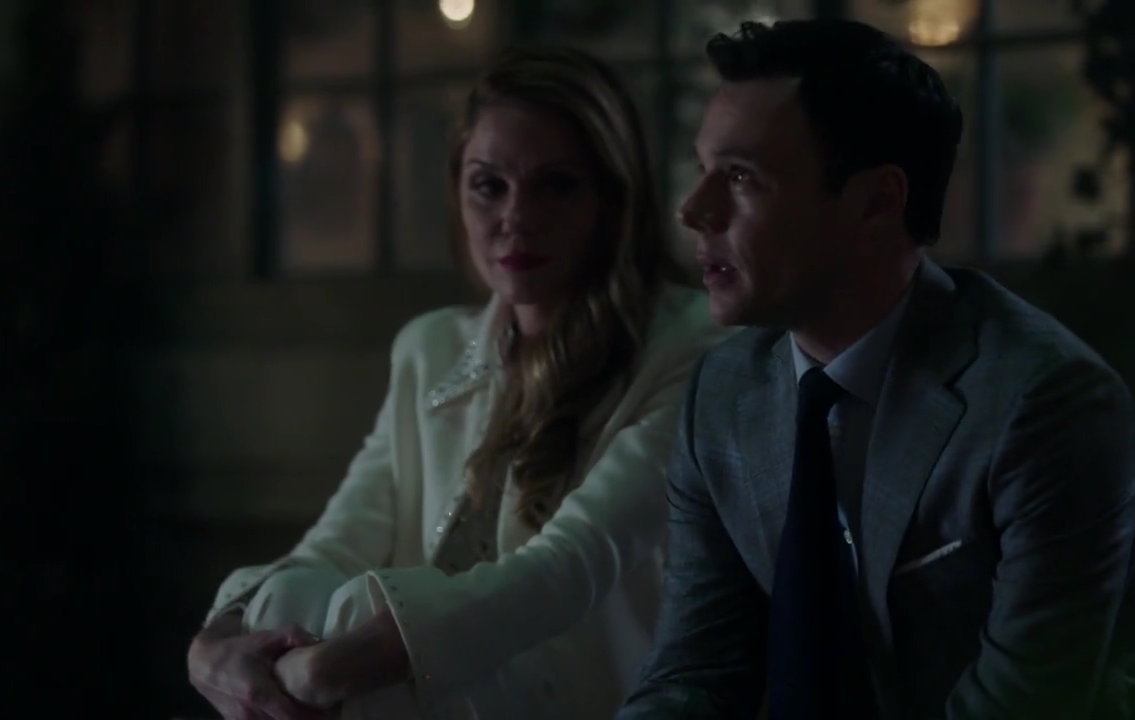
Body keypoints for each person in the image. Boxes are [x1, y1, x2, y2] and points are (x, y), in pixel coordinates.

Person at [618, 18, 1135, 720]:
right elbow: (695, 670)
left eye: (740, 177)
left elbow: (1021, 704)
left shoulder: (1043, 401)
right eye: (703, 169)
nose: (694, 210)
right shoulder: (724, 393)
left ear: (878, 203)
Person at [186, 46, 731, 720]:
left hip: (586, 695)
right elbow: (341, 537)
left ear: (612, 199)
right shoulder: (432, 348)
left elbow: (572, 564)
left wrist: (343, 663)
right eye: (489, 186)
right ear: (457, 193)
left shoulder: (689, 347)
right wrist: (215, 643)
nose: (516, 218)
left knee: (359, 612)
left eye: (556, 185)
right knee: (290, 597)